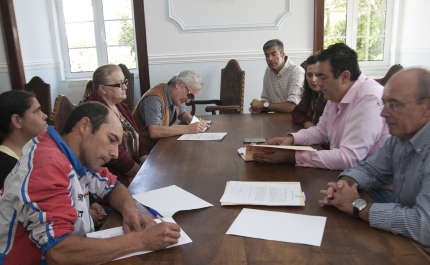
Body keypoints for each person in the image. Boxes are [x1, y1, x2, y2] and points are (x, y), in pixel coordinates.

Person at [0, 102, 180, 264]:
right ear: (84, 126)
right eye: (111, 140)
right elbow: (58, 253)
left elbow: (114, 187)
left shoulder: (76, 156)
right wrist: (142, 240)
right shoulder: (47, 164)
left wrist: (130, 211)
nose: (115, 154)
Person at [319, 68, 430, 251]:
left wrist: (358, 206)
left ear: (427, 107)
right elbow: (371, 169)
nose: (383, 114)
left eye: (394, 105)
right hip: (407, 244)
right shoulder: (399, 138)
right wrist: (344, 186)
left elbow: (424, 225)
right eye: (384, 104)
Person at [254, 43, 390, 170]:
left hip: (374, 190)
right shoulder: (336, 93)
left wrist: (291, 156)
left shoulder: (369, 98)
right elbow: (321, 131)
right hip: (348, 175)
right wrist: (291, 139)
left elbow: (349, 158)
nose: (317, 82)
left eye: (322, 77)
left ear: (344, 77)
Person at [83, 64, 147, 187]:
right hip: (115, 178)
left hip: (135, 169)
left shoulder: (120, 106)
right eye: (119, 84)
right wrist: (143, 173)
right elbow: (116, 158)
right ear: (102, 89)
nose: (124, 87)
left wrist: (147, 163)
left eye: (125, 82)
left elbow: (138, 138)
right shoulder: (96, 112)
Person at [133, 70, 209, 152]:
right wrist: (188, 129)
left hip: (160, 146)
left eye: (192, 98)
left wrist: (195, 122)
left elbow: (182, 114)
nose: (188, 101)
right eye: (189, 95)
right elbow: (154, 131)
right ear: (178, 84)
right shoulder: (154, 99)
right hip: (145, 152)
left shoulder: (172, 95)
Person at [0, 90, 47, 189]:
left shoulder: (29, 151)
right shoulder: (7, 169)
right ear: (17, 121)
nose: (44, 116)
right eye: (37, 111)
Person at [249, 39, 304, 113]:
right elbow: (265, 100)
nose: (270, 59)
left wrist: (264, 105)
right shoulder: (268, 71)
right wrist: (259, 108)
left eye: (273, 54)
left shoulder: (296, 71)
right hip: (275, 119)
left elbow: (293, 107)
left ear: (283, 54)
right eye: (267, 55)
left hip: (294, 120)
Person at [292, 54, 327, 128]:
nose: (313, 79)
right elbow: (296, 112)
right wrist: (306, 122)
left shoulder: (331, 98)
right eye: (309, 75)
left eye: (318, 75)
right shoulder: (311, 94)